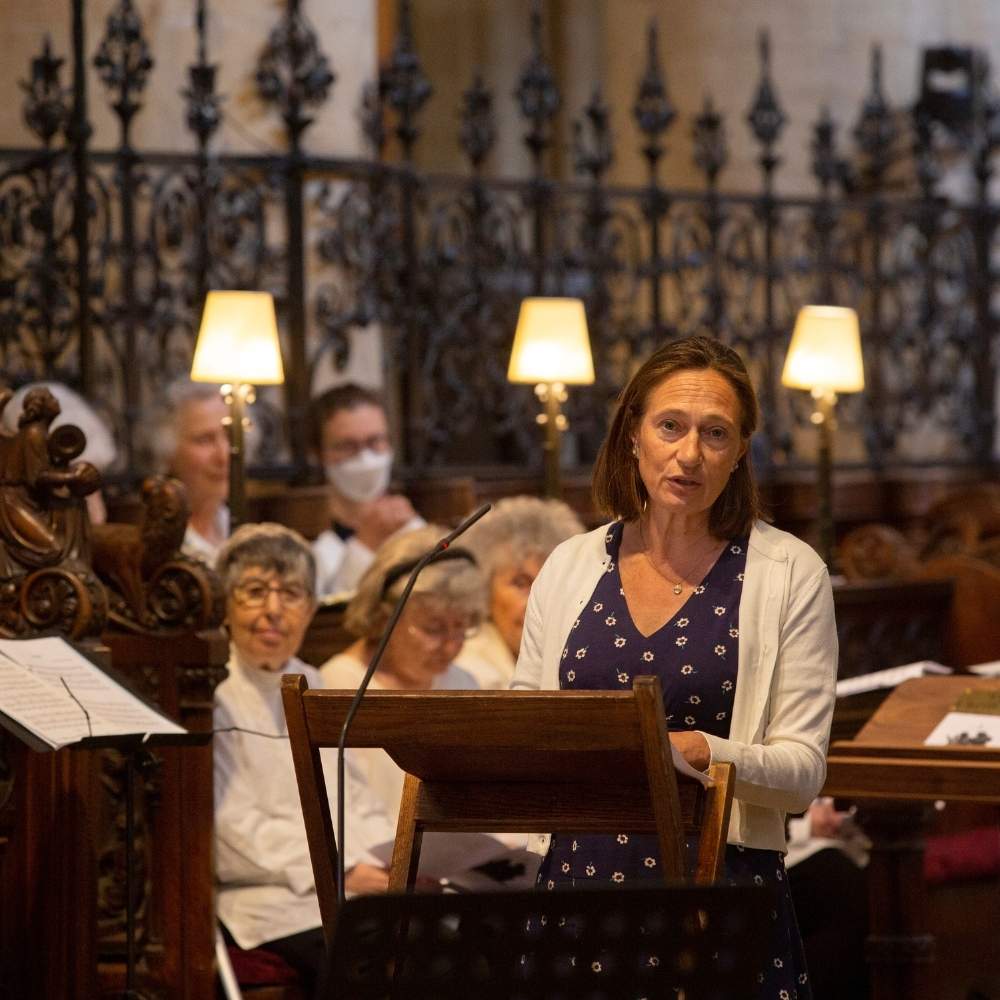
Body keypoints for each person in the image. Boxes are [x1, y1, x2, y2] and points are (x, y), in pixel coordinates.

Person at [511, 335, 838, 999]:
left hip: (720, 888)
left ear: (741, 449)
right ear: (634, 433)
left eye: (715, 433)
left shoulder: (788, 570)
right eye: (670, 426)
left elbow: (803, 772)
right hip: (580, 885)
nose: (690, 454)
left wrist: (698, 751)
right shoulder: (571, 564)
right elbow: (525, 727)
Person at [213, 523, 394, 996]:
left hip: (346, 886)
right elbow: (228, 829)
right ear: (225, 606)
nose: (272, 610)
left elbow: (354, 799)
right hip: (268, 900)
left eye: (290, 593)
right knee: (384, 957)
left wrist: (397, 860)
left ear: (312, 610)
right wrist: (343, 867)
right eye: (254, 592)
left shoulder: (311, 680)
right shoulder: (211, 689)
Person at [320, 524, 483, 819]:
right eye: (433, 629)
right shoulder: (338, 685)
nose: (450, 646)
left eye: (461, 627)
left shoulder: (462, 681)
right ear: (385, 618)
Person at [459, 495, 584, 689]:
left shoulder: (579, 655)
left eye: (549, 581)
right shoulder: (469, 675)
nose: (537, 599)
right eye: (520, 583)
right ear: (483, 591)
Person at [309, 384, 422, 597]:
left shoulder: (414, 527)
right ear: (319, 454)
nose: (364, 458)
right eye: (347, 446)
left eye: (375, 441)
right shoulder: (312, 550)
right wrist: (365, 544)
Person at [0, 380, 117, 525]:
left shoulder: (90, 447)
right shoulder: (34, 435)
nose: (56, 404)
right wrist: (71, 477)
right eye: (51, 400)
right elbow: (36, 476)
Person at [148, 379, 230, 564]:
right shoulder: (163, 544)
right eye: (204, 440)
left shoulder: (233, 525)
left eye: (229, 435)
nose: (223, 455)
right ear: (168, 451)